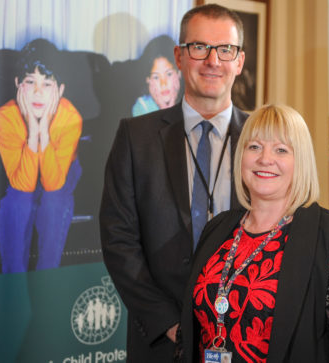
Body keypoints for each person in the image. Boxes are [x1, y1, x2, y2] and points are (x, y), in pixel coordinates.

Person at [99, 4, 248, 361]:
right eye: (199, 47)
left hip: (248, 338)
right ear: (179, 56)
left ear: (239, 61)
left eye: (225, 49)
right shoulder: (135, 137)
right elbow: (119, 240)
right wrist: (170, 324)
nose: (213, 60)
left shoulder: (266, 139)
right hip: (161, 343)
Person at [179, 104, 329, 362]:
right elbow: (189, 333)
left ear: (300, 161)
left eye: (281, 149)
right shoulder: (218, 228)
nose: (264, 159)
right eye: (255, 147)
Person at [0, 38, 82, 273]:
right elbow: (23, 185)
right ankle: (15, 278)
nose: (37, 92)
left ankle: (47, 275)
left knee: (55, 202)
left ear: (60, 90)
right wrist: (34, 132)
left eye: (47, 84)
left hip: (61, 173)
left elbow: (53, 184)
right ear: (17, 84)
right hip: (22, 174)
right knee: (14, 202)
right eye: (30, 81)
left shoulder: (70, 117)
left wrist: (44, 132)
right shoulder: (5, 118)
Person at [132, 35, 182, 116]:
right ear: (148, 80)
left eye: (169, 74)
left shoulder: (190, 102)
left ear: (179, 72)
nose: (163, 83)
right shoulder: (141, 107)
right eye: (156, 77)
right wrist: (165, 109)